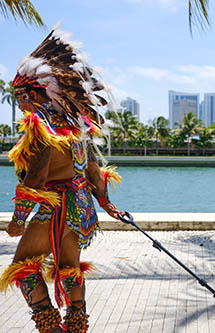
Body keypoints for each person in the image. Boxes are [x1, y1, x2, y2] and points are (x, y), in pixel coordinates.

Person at [0, 25, 123, 333]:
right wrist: (106, 203)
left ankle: (53, 330)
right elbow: (92, 170)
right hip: (80, 207)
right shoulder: (75, 126)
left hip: (54, 209)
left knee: (24, 269)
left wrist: (18, 218)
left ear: (29, 95)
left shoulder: (40, 126)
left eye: (19, 98)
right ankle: (77, 327)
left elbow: (38, 177)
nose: (20, 105)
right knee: (69, 270)